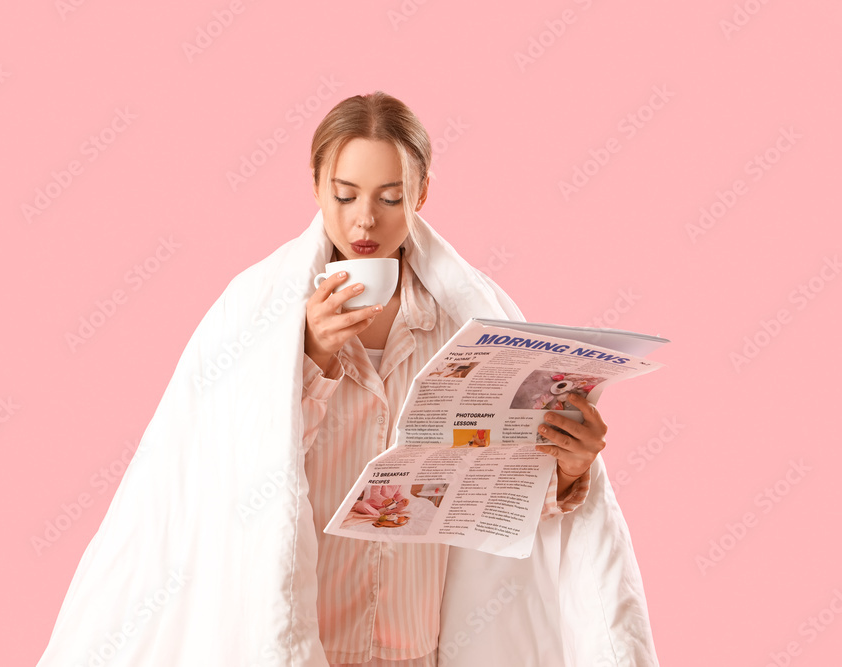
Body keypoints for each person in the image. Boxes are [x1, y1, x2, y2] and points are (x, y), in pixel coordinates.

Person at [35, 91, 658, 667]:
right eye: (344, 194)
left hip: (422, 648)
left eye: (390, 197)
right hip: (308, 645)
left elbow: (496, 499)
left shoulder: (473, 323)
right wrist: (307, 357)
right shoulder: (255, 314)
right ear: (315, 188)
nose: (365, 221)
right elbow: (221, 483)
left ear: (421, 194)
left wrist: (568, 472)